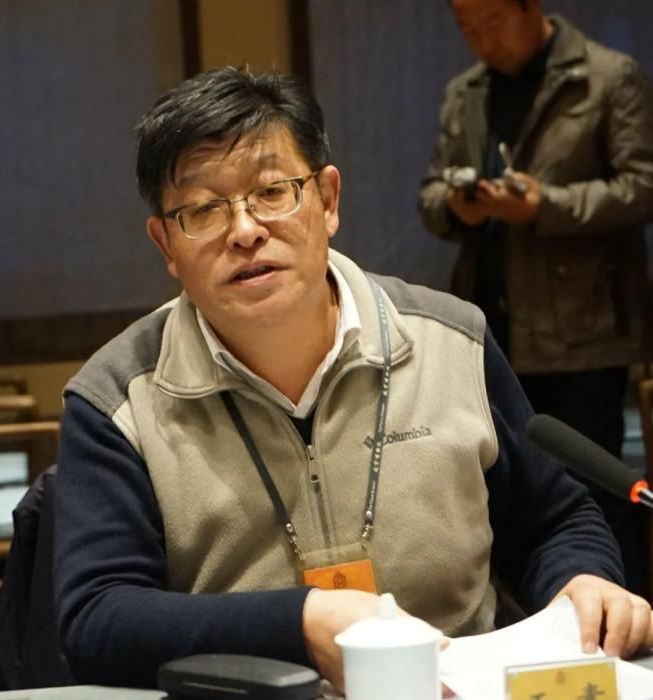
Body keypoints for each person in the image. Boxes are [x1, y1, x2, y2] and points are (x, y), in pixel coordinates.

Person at [54, 66, 653, 692]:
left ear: (328, 199)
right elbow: (97, 618)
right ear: (166, 246)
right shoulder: (117, 399)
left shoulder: (453, 341)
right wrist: (300, 624)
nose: (246, 231)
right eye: (203, 210)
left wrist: (582, 580)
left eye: (272, 192)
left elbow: (555, 520)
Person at [418, 0, 653, 594]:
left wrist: (544, 206)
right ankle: (531, 620)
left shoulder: (606, 77)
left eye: (493, 22)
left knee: (596, 492)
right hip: (491, 326)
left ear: (532, 8)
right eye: (467, 27)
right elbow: (432, 193)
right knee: (504, 496)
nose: (481, 39)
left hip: (582, 326)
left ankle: (618, 619)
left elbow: (642, 187)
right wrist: (458, 207)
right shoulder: (465, 91)